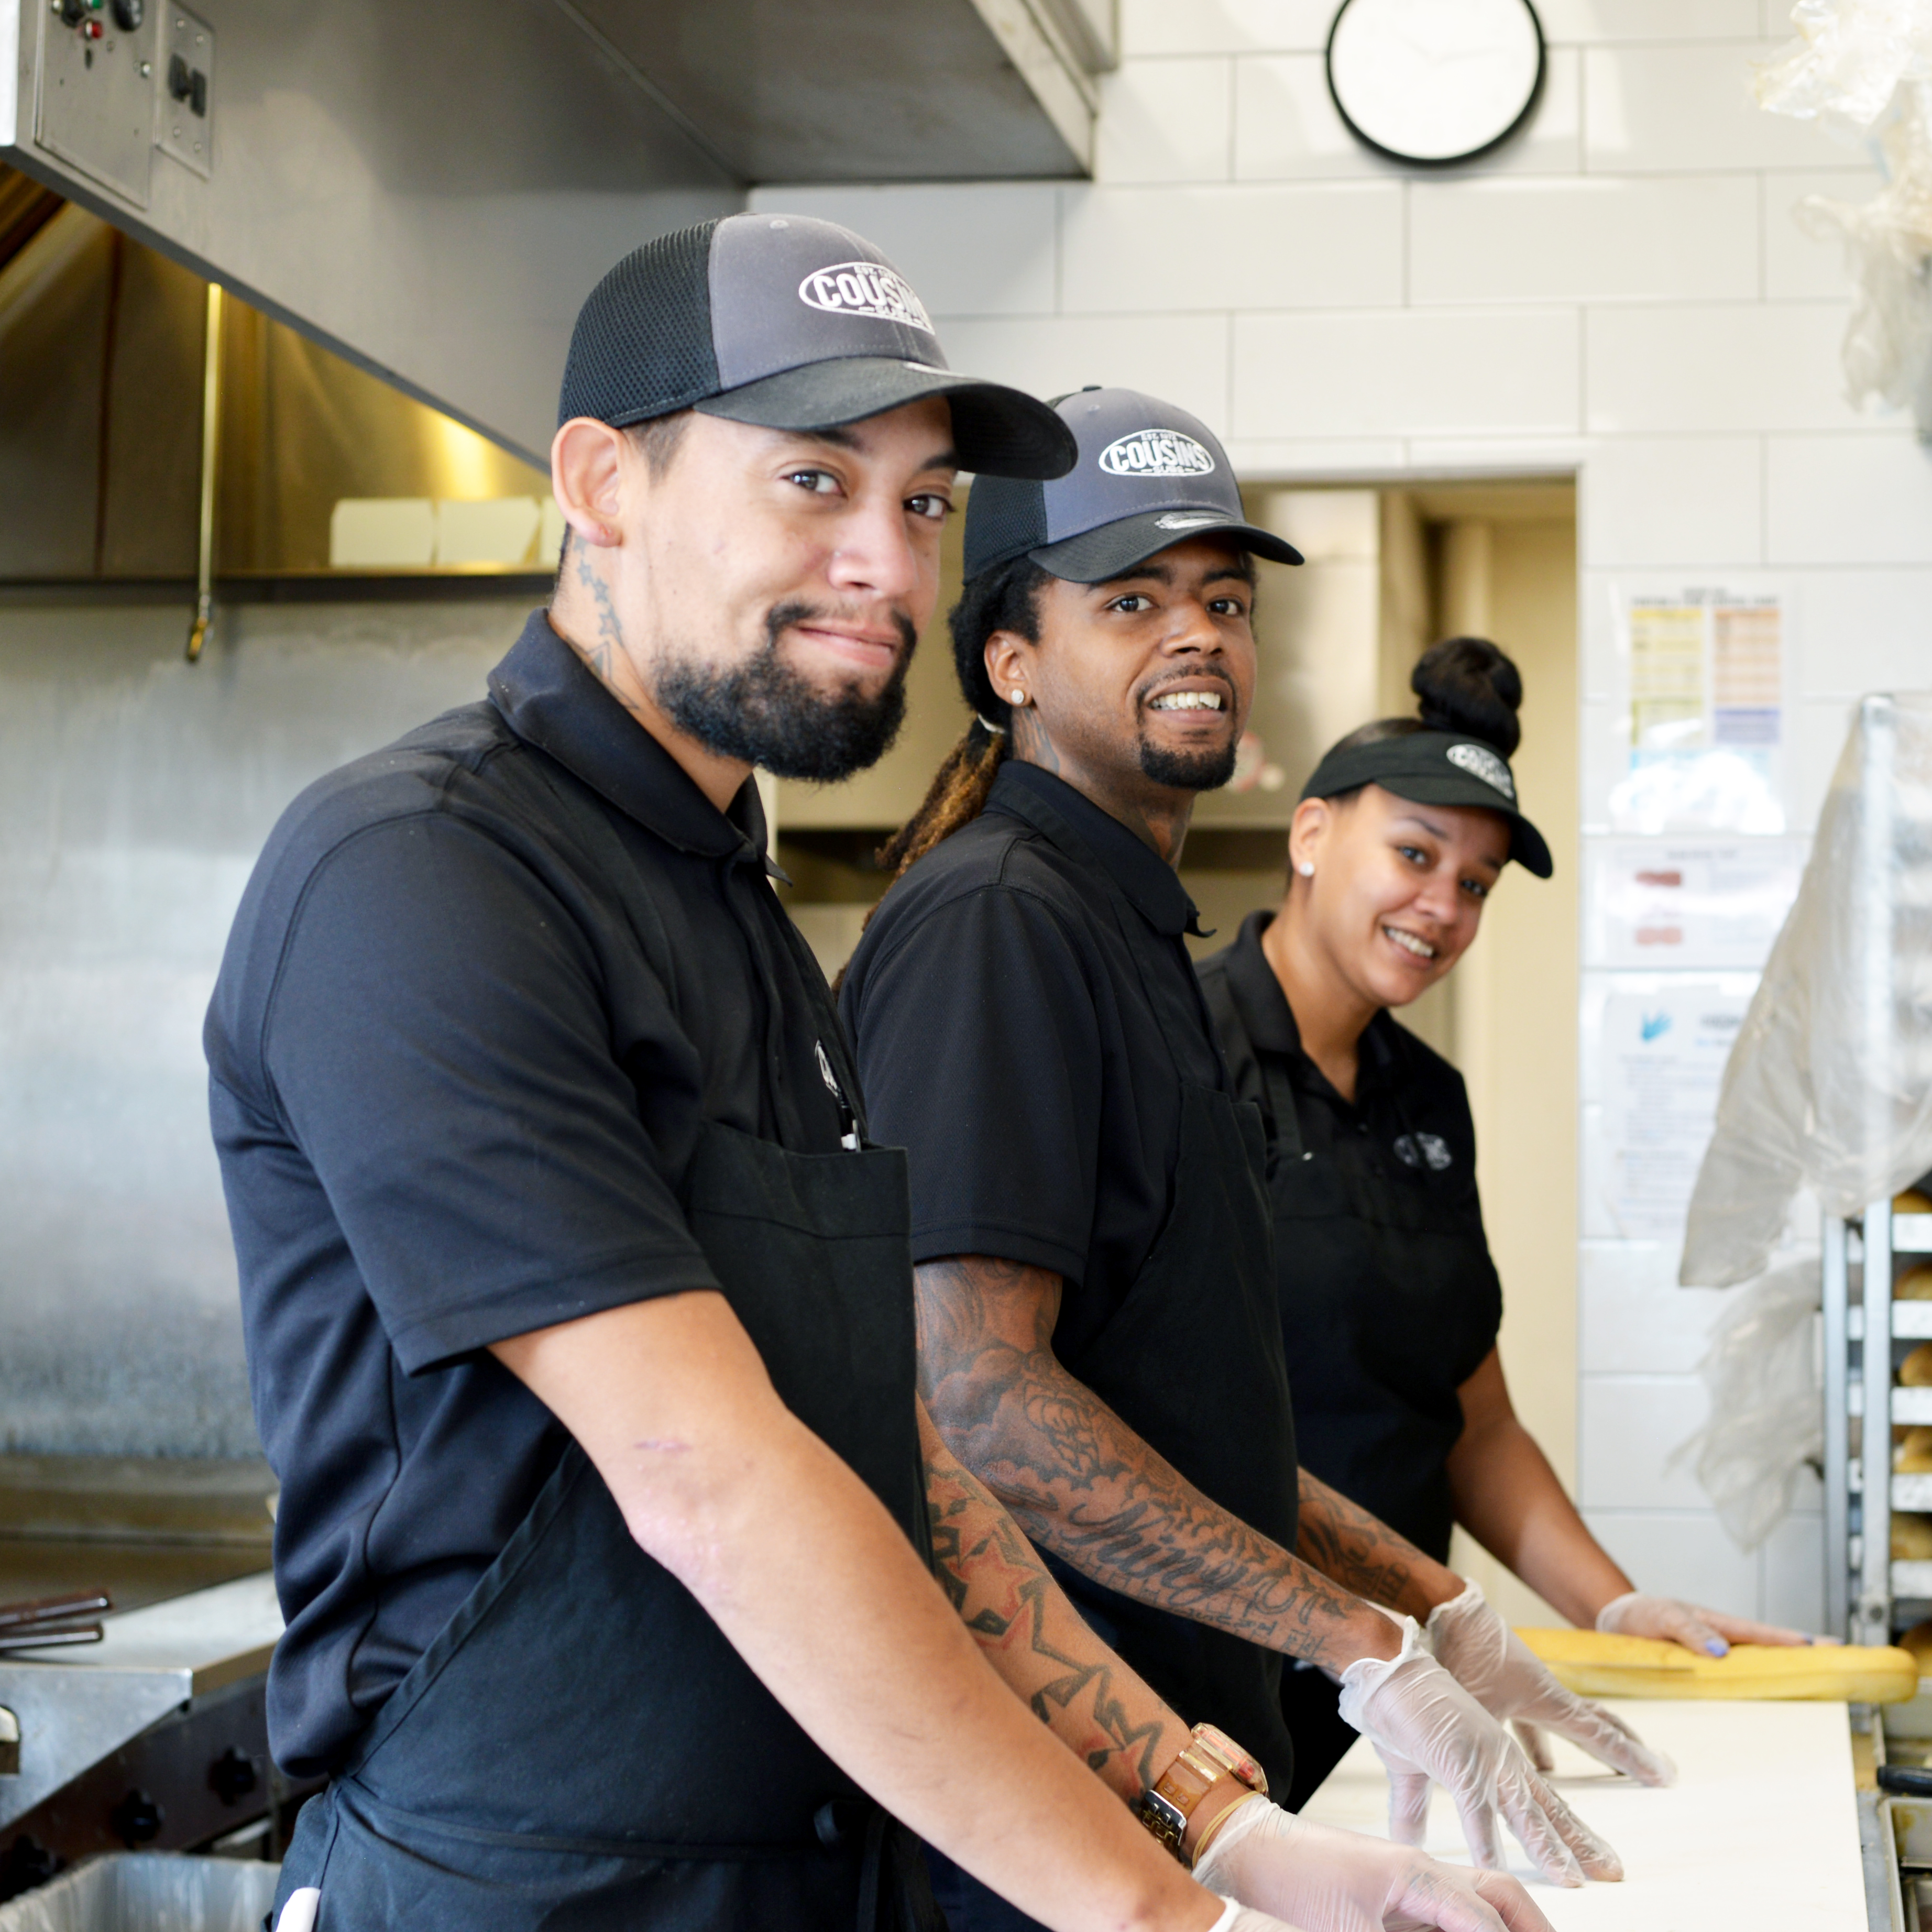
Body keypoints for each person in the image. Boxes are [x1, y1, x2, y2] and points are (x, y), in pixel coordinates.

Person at [205, 218, 1548, 1932]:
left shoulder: (749, 924)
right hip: (518, 1890)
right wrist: (1162, 1916)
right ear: (602, 482)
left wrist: (1215, 1823)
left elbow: (897, 1461)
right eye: (812, 483)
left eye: (918, 503)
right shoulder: (419, 877)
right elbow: (712, 1475)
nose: (887, 563)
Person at [838, 388, 1665, 1932]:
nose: (1199, 634)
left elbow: (1183, 1420)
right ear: (1010, 659)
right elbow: (978, 1401)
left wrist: (1437, 1607)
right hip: (1059, 1819)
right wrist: (1352, 1641)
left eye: (1224, 599)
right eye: (1132, 599)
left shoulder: (1133, 933)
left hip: (1201, 1780)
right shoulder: (999, 924)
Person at [1195, 635, 1814, 1807]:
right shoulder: (1176, 1052)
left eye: (1473, 883)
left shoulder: (1429, 1098)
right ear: (1312, 834)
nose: (1442, 904)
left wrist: (1613, 1606)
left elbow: (1472, 1421)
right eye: (1415, 853)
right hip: (1208, 1688)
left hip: (1403, 1693)